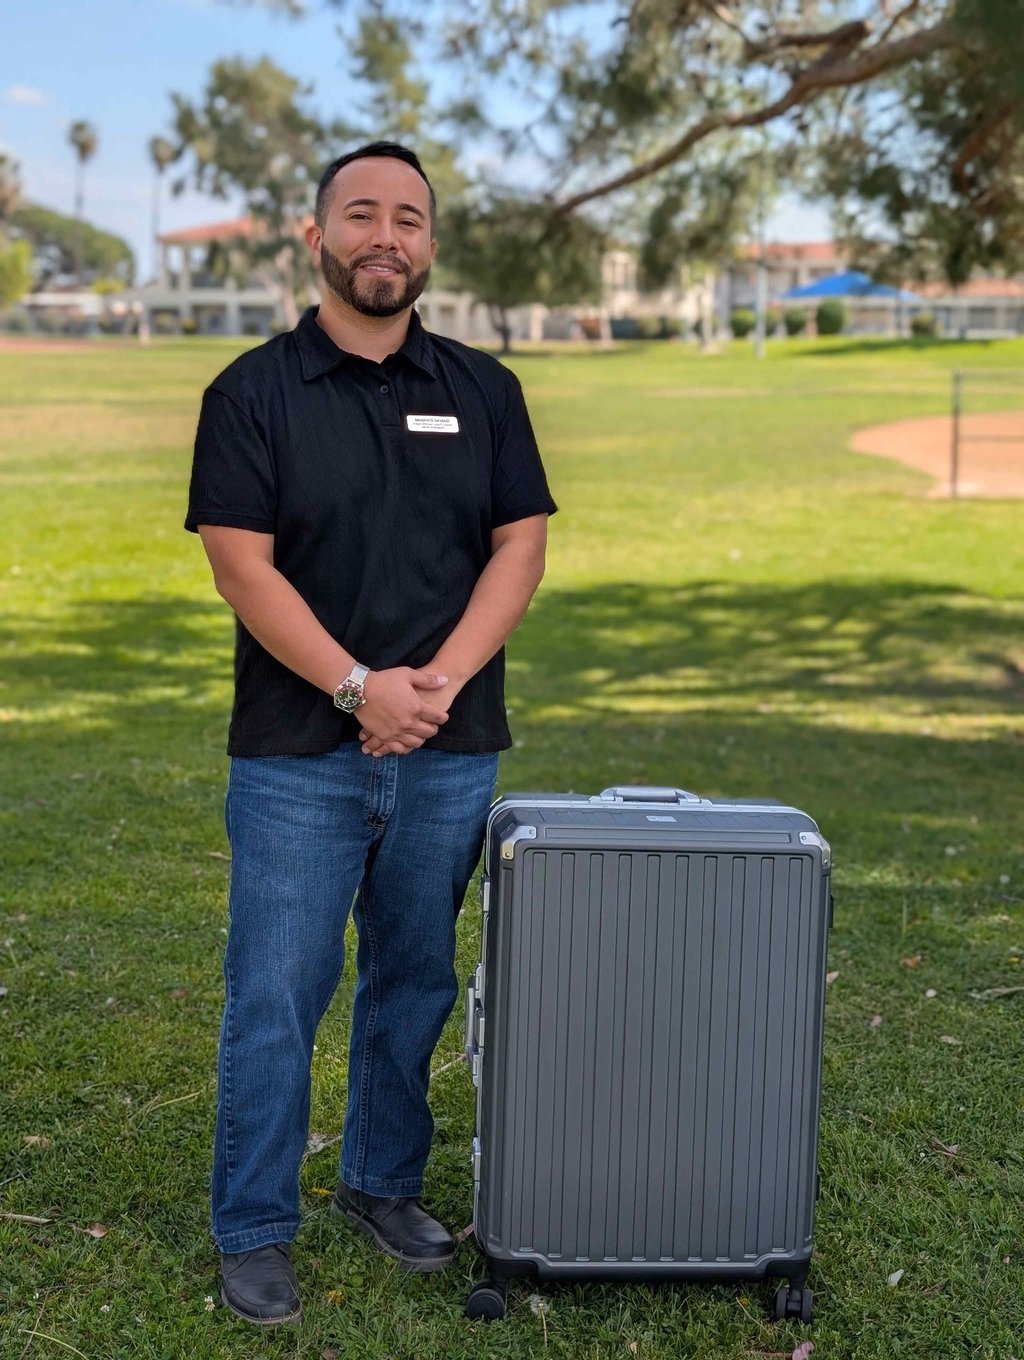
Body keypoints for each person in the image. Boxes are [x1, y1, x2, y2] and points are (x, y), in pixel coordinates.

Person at [185, 141, 556, 1326]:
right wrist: (360, 689)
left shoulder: (485, 389)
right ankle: (253, 1223)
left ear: (429, 243)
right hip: (299, 752)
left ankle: (382, 1183)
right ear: (315, 237)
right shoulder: (250, 392)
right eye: (360, 214)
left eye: (407, 216)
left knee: (413, 980)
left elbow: (520, 546)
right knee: (278, 993)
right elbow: (241, 565)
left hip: (450, 743)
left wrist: (434, 683)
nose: (384, 235)